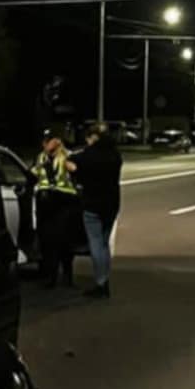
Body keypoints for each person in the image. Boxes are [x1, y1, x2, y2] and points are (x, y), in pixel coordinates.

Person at [68, 122, 121, 298]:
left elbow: (72, 164)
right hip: (112, 203)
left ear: (93, 138)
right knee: (104, 243)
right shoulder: (115, 155)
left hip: (93, 203)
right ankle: (105, 279)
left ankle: (101, 283)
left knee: (96, 244)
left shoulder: (88, 155)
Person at [33, 129, 80, 287]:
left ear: (58, 141)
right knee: (47, 241)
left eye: (49, 140)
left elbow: (76, 171)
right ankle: (50, 276)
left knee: (64, 240)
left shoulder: (67, 155)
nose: (46, 144)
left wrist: (70, 165)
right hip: (45, 202)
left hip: (64, 201)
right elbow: (33, 174)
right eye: (45, 141)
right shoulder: (40, 157)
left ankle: (67, 276)